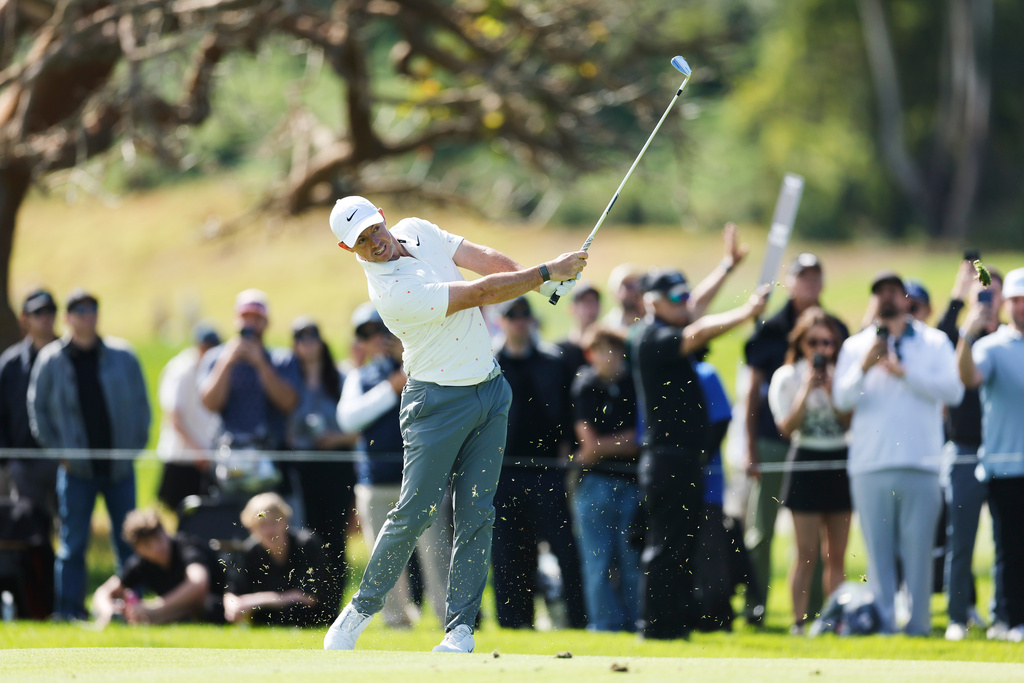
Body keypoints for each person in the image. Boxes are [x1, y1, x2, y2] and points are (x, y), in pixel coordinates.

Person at [321, 195, 586, 653]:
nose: (373, 243)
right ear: (350, 251)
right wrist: (545, 272)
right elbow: (479, 293)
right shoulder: (390, 293)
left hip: (489, 391)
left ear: (382, 217)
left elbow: (483, 261)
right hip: (435, 404)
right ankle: (360, 610)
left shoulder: (420, 229)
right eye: (361, 242)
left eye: (373, 230)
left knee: (477, 512)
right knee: (415, 511)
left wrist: (544, 285)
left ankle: (460, 629)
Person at [632, 268, 768, 640]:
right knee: (665, 546)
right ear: (654, 303)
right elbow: (699, 330)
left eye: (685, 296)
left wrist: (727, 266)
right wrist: (746, 313)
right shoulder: (652, 337)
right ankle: (656, 627)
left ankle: (675, 624)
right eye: (676, 298)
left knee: (683, 546)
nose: (685, 303)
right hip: (667, 459)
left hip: (686, 460)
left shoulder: (669, 323)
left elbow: (696, 308)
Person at [833, 271, 964, 635]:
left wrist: (906, 373)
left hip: (920, 462)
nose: (888, 298)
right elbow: (841, 399)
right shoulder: (855, 346)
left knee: (918, 552)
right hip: (870, 464)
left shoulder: (934, 342)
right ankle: (885, 623)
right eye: (881, 292)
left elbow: (953, 392)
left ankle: (919, 625)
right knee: (878, 553)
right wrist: (865, 366)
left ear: (907, 299)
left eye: (894, 291)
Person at [27, 289, 151, 621]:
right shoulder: (52, 359)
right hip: (76, 471)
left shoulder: (123, 355)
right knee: (73, 545)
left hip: (119, 470)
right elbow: (38, 413)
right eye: (79, 311)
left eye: (92, 309)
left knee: (130, 543)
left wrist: (132, 451)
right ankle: (69, 610)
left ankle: (132, 609)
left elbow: (142, 407)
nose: (86, 316)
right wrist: (60, 454)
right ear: (67, 317)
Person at [741, 253, 848, 624]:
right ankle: (756, 608)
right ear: (792, 280)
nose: (810, 284)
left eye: (816, 276)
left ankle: (821, 615)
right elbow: (752, 394)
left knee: (825, 547)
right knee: (764, 531)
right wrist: (749, 447)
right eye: (803, 277)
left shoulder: (836, 327)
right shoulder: (770, 329)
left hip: (827, 448)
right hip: (774, 441)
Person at [337, 303, 447, 628]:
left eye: (383, 330)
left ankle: (449, 620)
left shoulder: (424, 366)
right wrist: (390, 388)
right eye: (368, 334)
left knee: (436, 555)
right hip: (377, 482)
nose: (378, 340)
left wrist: (406, 374)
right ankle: (397, 622)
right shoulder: (361, 376)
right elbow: (348, 420)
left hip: (422, 479)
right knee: (383, 560)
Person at [492, 295, 585, 630]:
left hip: (548, 470)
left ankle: (577, 620)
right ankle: (514, 622)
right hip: (502, 472)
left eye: (524, 316)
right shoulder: (488, 364)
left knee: (565, 549)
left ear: (531, 321)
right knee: (507, 552)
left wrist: (570, 454)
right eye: (511, 315)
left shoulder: (553, 362)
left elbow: (567, 413)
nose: (518, 321)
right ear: (502, 321)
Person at [768, 307, 852, 635]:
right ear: (802, 343)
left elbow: (849, 422)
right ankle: (799, 622)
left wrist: (832, 391)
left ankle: (836, 621)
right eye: (814, 342)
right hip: (805, 461)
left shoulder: (843, 375)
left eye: (828, 343)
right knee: (806, 553)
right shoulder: (787, 377)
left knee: (837, 554)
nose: (821, 349)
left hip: (838, 461)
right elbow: (787, 428)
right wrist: (806, 388)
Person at [956, 266, 1024, 642]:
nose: (1022, 307)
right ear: (1006, 304)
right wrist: (966, 333)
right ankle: (1012, 621)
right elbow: (968, 377)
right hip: (1006, 467)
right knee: (1011, 551)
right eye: (1016, 300)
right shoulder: (990, 347)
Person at [936, 260, 1003, 640]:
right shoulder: (959, 335)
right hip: (963, 449)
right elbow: (941, 335)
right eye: (982, 292)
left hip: (1005, 450)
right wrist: (959, 301)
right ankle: (958, 616)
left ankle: (1003, 613)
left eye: (992, 293)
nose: (987, 300)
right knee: (959, 540)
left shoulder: (1011, 337)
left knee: (1006, 541)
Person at [570, 325, 640, 632]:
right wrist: (615, 444)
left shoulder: (635, 383)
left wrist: (602, 447)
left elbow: (638, 440)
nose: (608, 357)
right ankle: (604, 624)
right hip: (594, 484)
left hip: (633, 482)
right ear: (590, 354)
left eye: (613, 349)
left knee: (632, 560)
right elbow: (588, 444)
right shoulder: (584, 385)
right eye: (601, 350)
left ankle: (639, 620)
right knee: (597, 561)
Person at [199, 289, 301, 492]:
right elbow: (209, 403)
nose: (251, 325)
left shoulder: (282, 359)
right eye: (245, 318)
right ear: (236, 320)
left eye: (257, 318)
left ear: (267, 322)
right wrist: (226, 362)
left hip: (272, 457)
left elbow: (288, 402)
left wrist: (261, 364)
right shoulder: (215, 358)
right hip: (230, 456)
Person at [287, 316, 357, 569]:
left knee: (336, 534)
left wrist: (338, 438)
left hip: (337, 463)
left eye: (311, 337)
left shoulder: (343, 377)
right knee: (306, 532)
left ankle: (335, 596)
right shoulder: (288, 378)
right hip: (303, 465)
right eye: (300, 339)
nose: (307, 344)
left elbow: (362, 426)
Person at [224, 492, 342, 627]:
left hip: (313, 614)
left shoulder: (306, 544)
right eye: (262, 524)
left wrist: (254, 602)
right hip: (269, 613)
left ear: (286, 522)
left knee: (294, 611)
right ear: (252, 529)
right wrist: (233, 607)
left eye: (274, 522)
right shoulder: (249, 551)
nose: (269, 530)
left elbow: (308, 597)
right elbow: (233, 592)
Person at [91, 509, 225, 626]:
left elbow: (198, 583)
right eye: (148, 545)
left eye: (159, 538)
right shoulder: (142, 563)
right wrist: (109, 611)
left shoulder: (186, 546)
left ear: (164, 531)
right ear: (138, 549)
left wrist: (154, 608)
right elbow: (103, 592)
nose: (157, 547)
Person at [0, 290, 59, 525]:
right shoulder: (10, 364)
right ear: (25, 318)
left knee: (69, 528)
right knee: (28, 529)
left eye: (50, 311)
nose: (45, 317)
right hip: (23, 463)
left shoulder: (71, 358)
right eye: (38, 312)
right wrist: (8, 461)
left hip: (65, 461)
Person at [155, 322, 222, 511]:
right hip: (182, 458)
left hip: (205, 456)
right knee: (181, 514)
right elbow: (174, 417)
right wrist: (198, 451)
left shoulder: (215, 368)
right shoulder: (181, 369)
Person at [556, 282, 601, 373]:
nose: (591, 307)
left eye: (594, 301)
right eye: (585, 302)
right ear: (572, 308)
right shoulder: (559, 351)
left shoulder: (607, 348)